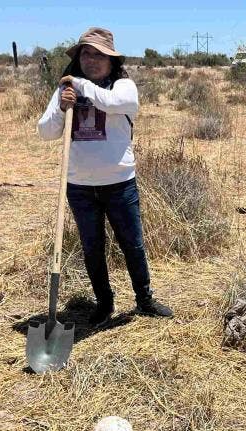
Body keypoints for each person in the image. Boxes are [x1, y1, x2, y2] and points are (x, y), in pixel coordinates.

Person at [38, 27, 173, 327]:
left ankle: (144, 299)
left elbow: (113, 104)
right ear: (79, 58)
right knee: (92, 248)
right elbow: (45, 132)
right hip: (80, 187)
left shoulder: (124, 87)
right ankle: (104, 302)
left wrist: (82, 87)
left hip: (119, 183)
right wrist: (62, 108)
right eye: (87, 53)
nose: (92, 59)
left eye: (100, 54)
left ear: (112, 60)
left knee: (132, 244)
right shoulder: (66, 91)